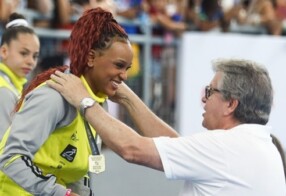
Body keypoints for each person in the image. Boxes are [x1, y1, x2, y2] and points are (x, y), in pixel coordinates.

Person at [47, 58, 286, 195]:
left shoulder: (225, 147)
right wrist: (128, 98)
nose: (203, 98)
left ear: (231, 104)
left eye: (210, 92)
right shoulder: (260, 146)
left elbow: (132, 149)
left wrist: (83, 99)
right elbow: (177, 146)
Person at [0, 8, 132, 196]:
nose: (125, 76)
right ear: (91, 58)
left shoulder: (97, 103)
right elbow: (10, 157)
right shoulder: (53, 97)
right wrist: (61, 194)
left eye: (128, 68)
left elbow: (73, 170)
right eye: (119, 65)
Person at [0, 12, 40, 139]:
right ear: (4, 51)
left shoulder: (12, 86)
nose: (31, 61)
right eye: (24, 53)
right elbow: (5, 145)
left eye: (35, 56)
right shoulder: (4, 91)